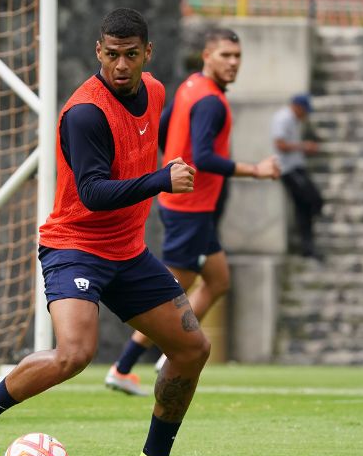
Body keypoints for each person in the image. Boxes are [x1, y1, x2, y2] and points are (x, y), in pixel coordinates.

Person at [0, 8, 210, 456]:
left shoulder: (154, 91)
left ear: (146, 54)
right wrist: (162, 180)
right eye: (111, 55)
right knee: (74, 354)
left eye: (131, 55)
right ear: (98, 52)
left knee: (191, 348)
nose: (120, 65)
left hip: (128, 251)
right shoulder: (86, 113)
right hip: (75, 246)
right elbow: (92, 193)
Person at [105, 28, 281, 396]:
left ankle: (153, 356)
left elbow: (166, 130)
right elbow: (203, 157)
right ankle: (128, 365)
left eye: (237, 56)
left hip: (186, 206)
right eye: (225, 55)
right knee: (170, 292)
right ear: (207, 55)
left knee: (218, 280)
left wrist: (173, 162)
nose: (233, 63)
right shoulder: (212, 102)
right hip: (191, 209)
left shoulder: (190, 87)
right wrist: (256, 170)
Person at [271, 94, 325, 261]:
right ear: (297, 106)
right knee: (312, 200)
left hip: (296, 167)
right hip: (288, 169)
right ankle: (304, 240)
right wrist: (303, 147)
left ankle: (306, 244)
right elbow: (279, 144)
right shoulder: (283, 118)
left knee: (304, 206)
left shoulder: (293, 119)